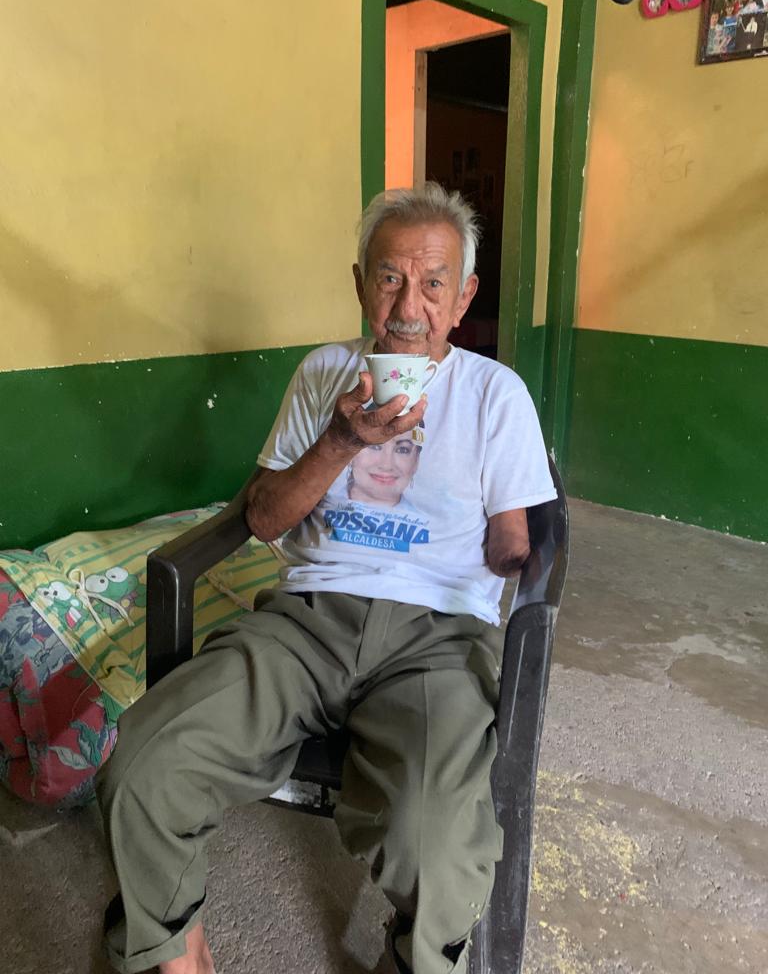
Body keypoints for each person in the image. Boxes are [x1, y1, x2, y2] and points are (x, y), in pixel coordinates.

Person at [97, 183, 556, 974]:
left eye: (433, 283)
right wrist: (340, 441)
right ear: (359, 284)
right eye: (389, 278)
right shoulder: (322, 374)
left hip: (438, 636)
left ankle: (415, 959)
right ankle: (174, 947)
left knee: (435, 837)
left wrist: (526, 564)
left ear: (463, 298)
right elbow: (264, 517)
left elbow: (513, 543)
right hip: (307, 620)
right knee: (144, 763)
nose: (408, 306)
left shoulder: (495, 393)